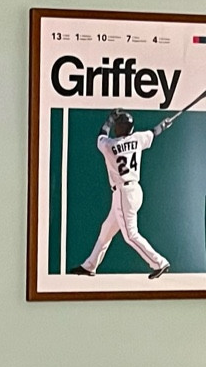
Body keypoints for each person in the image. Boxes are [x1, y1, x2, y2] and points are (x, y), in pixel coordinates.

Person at [72, 109, 171, 278]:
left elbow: (101, 135)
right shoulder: (138, 138)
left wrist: (109, 120)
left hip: (123, 193)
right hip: (135, 191)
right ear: (131, 129)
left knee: (131, 235)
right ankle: (90, 266)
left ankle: (159, 262)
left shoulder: (109, 145)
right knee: (107, 229)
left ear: (118, 128)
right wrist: (163, 125)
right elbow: (154, 132)